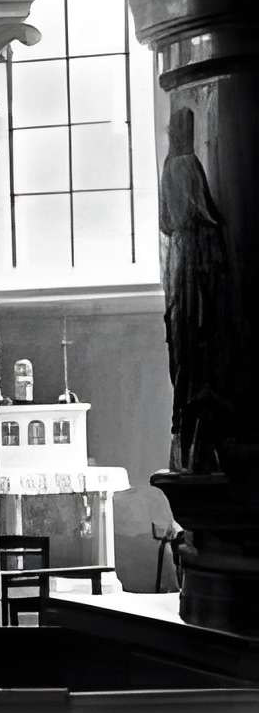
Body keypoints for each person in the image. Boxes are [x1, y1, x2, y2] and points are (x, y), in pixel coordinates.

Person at [162, 104, 231, 475]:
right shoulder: (193, 238)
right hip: (191, 303)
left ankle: (202, 445)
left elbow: (171, 218)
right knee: (192, 362)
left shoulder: (179, 165)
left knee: (198, 363)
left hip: (196, 300)